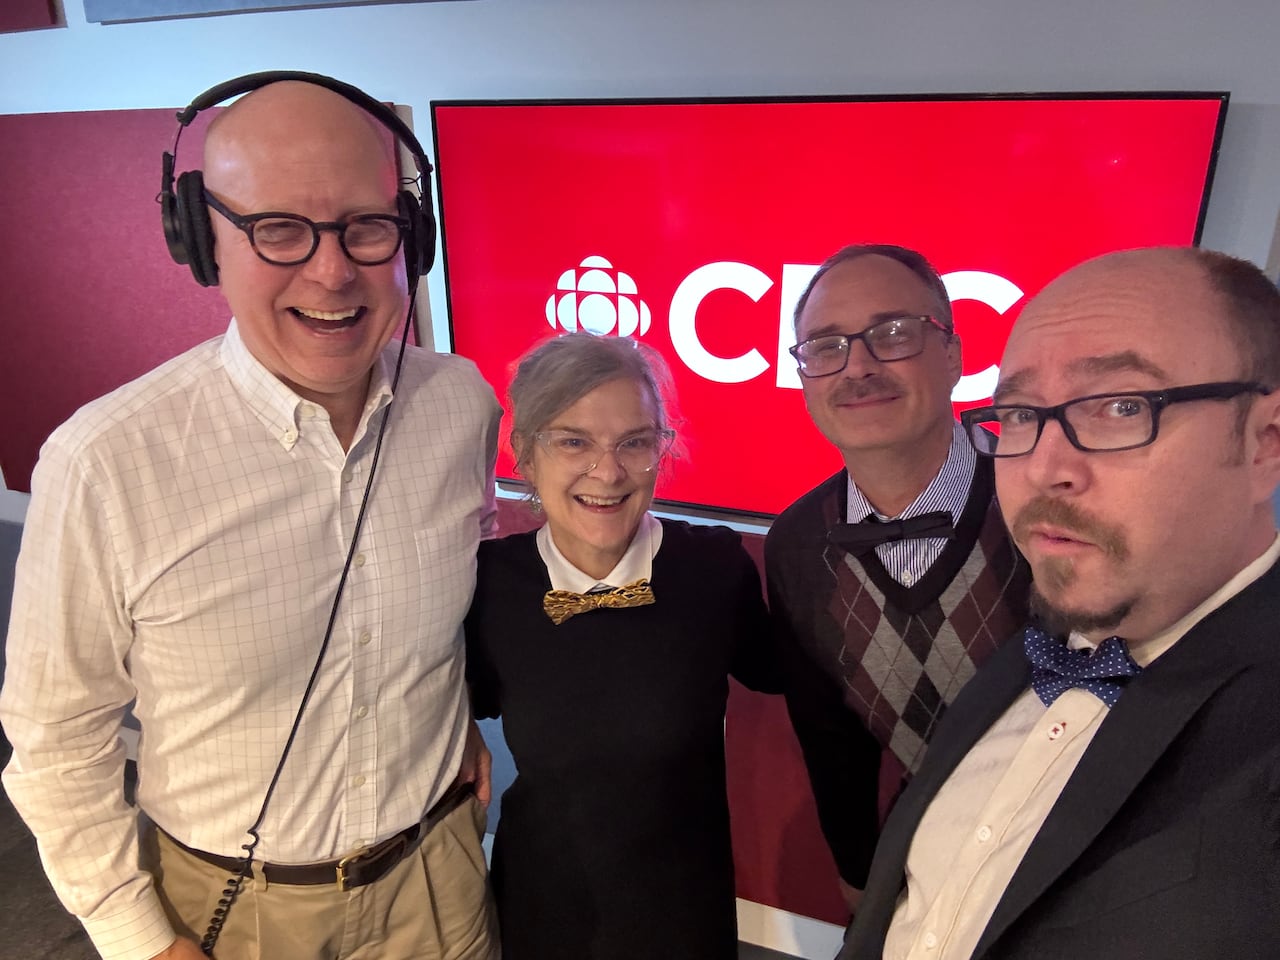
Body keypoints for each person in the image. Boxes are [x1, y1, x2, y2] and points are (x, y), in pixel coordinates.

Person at [0, 76, 501, 960]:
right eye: (278, 230)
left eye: (366, 225)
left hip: (440, 874)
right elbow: (54, 743)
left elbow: (436, 610)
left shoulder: (461, 404)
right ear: (202, 241)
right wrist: (140, 940)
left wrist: (452, 717)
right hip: (232, 911)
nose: (333, 269)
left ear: (408, 236)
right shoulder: (105, 464)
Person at [840, 246, 1280, 960]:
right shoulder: (1024, 657)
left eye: (1120, 406)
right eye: (1018, 414)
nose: (1044, 467)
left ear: (1266, 441)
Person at [464, 332, 775, 960]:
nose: (607, 473)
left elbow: (793, 671)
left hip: (684, 913)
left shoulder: (712, 567)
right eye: (573, 441)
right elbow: (443, 702)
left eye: (634, 442)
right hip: (541, 904)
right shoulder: (489, 582)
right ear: (525, 452)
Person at [766, 243, 1031, 912]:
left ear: (954, 356)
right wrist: (862, 878)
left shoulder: (1047, 502)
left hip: (1083, 861)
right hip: (928, 861)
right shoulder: (797, 544)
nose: (858, 365)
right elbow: (832, 739)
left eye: (891, 334)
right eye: (826, 346)